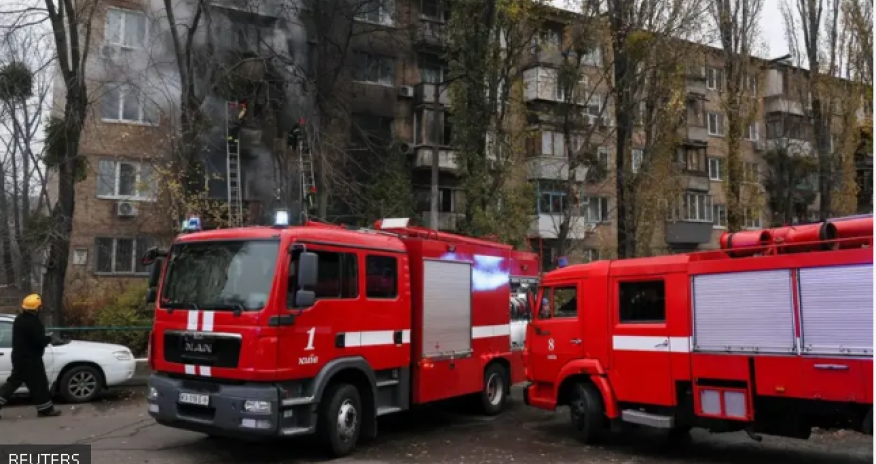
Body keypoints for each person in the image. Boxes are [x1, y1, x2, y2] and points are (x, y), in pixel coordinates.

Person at [0, 294, 61, 418]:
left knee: (15, 383)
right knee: (39, 384)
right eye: (40, 306)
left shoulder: (19, 319)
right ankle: (46, 410)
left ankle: (45, 409)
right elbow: (39, 340)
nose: (41, 308)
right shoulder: (33, 322)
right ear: (37, 308)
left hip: (20, 357)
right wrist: (49, 338)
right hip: (30, 359)